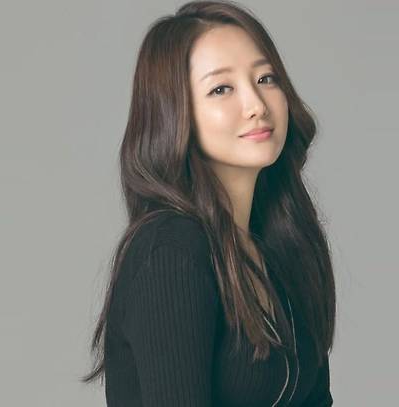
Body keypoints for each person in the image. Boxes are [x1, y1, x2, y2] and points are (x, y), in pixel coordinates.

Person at [81, 1, 336, 405]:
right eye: (221, 89)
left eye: (266, 78)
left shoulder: (285, 243)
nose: (256, 105)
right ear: (174, 114)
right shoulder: (171, 250)